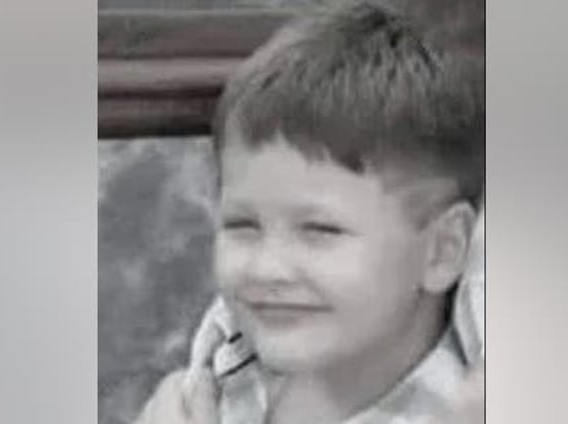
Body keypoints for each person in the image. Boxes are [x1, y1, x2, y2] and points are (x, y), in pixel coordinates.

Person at [137, 1, 484, 423]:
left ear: (442, 252)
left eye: (320, 230)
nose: (267, 268)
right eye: (241, 225)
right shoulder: (223, 357)